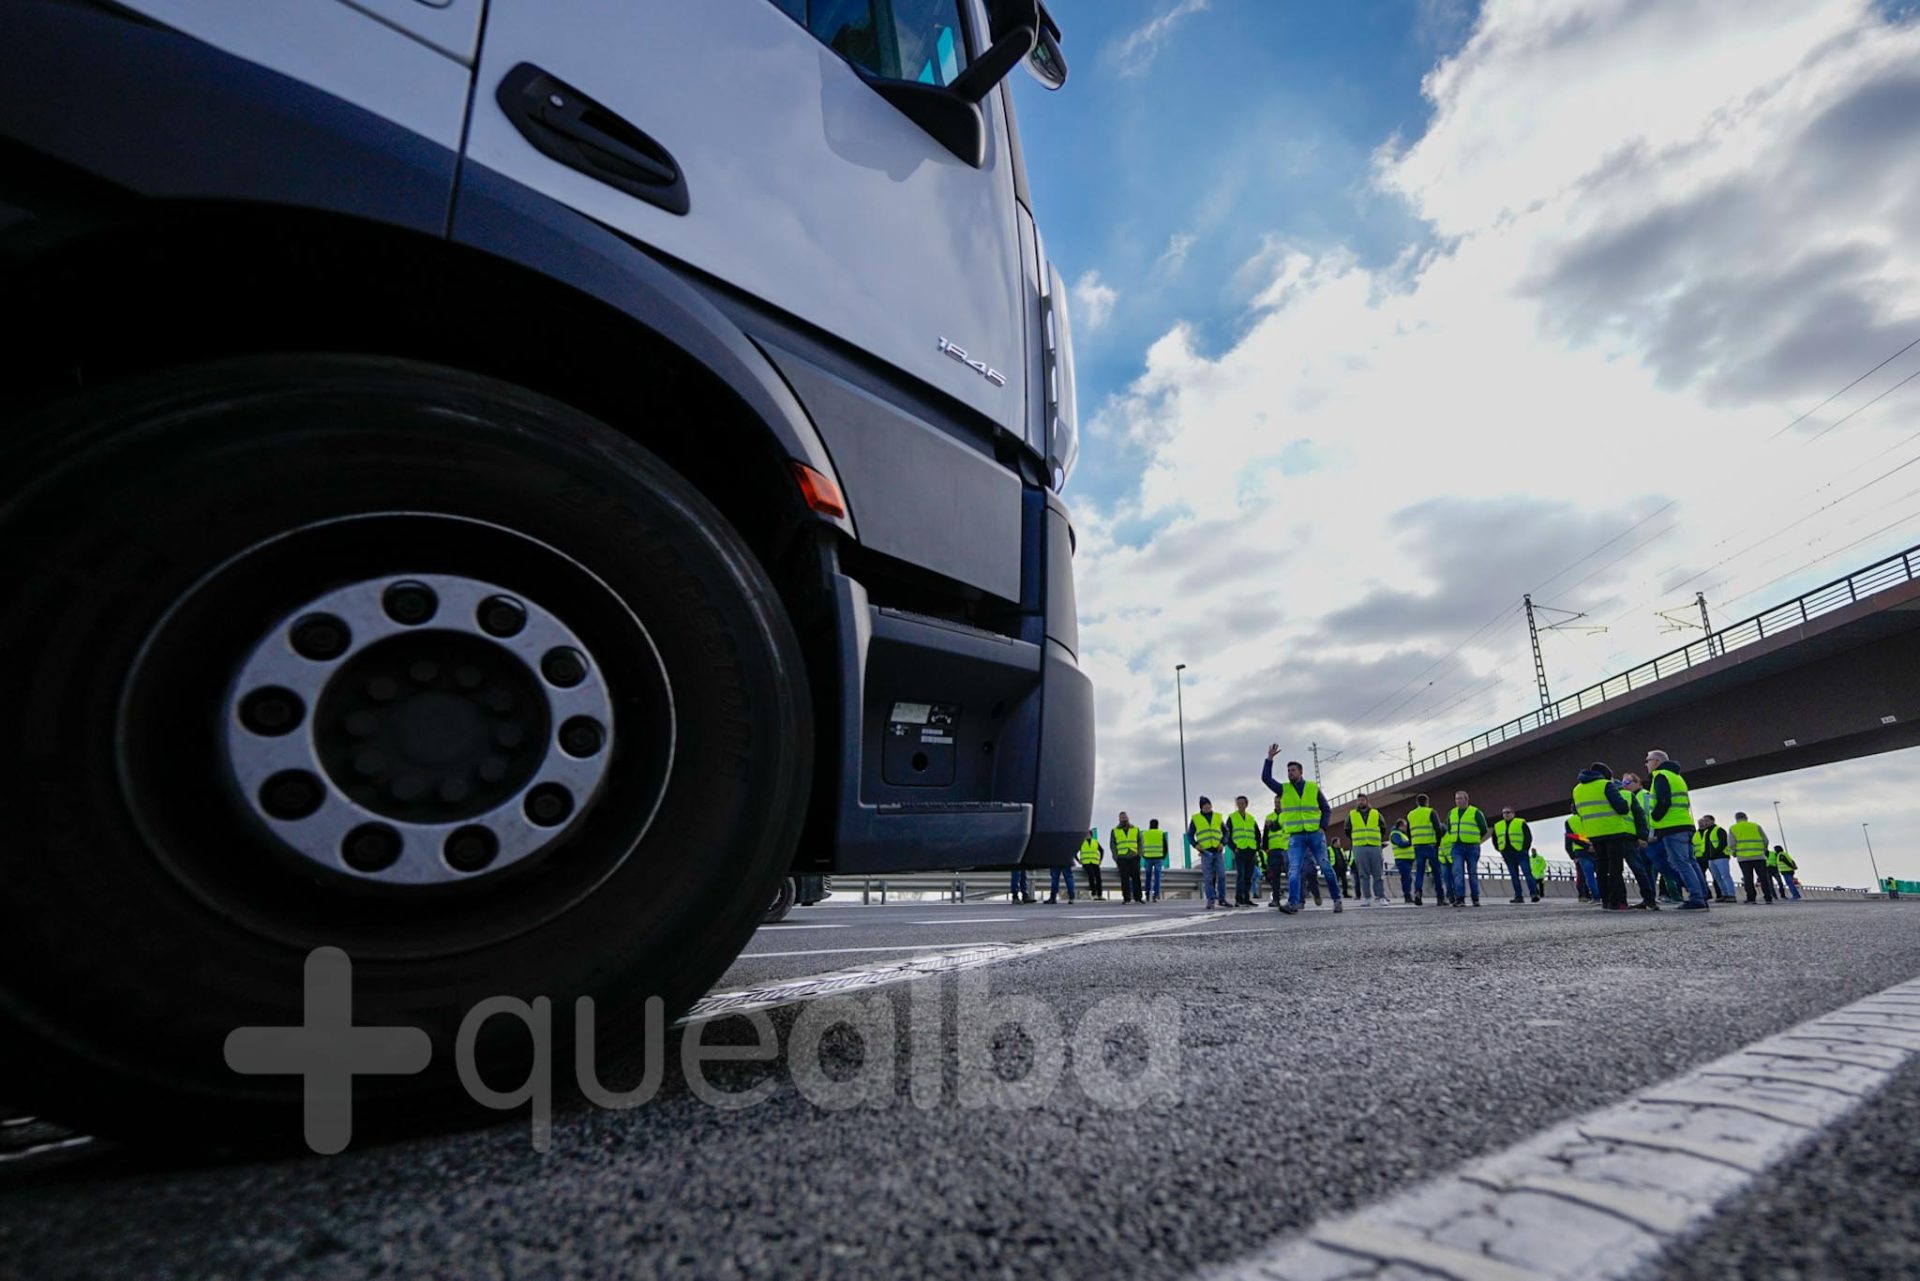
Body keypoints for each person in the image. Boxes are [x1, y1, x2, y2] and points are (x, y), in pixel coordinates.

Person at [1262, 746, 1342, 915]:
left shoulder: (1312, 788)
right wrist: (1269, 758)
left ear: (1301, 772)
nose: (1290, 773)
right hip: (1296, 836)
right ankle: (1293, 903)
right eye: (1288, 771)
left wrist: (1322, 827)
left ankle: (1337, 900)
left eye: (1293, 770)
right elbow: (1266, 778)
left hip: (1315, 834)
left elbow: (1326, 809)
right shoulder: (1284, 789)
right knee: (1294, 869)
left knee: (1325, 866)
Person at [1644, 751, 1711, 911]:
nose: (1646, 764)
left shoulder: (1660, 775)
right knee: (1691, 862)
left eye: (1648, 761)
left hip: (1672, 826)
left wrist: (1655, 817)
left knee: (1681, 863)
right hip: (1685, 824)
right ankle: (1702, 895)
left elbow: (1664, 800)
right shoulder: (1677, 776)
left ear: (1656, 761)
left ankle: (1696, 898)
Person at [1572, 761, 1636, 910]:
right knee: (1615, 868)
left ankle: (1605, 901)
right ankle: (1617, 901)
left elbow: (1578, 810)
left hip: (1594, 833)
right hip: (1613, 831)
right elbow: (1622, 808)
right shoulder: (1606, 785)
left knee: (1601, 867)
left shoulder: (1577, 789)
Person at [1617, 773, 1661, 910]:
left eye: (1627, 782)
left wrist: (1649, 835)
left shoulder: (1645, 795)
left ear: (1638, 783)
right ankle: (1648, 899)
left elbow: (1649, 816)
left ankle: (1652, 899)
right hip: (1635, 838)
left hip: (1645, 838)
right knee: (1644, 869)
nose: (1624, 785)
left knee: (1652, 868)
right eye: (1623, 782)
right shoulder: (1627, 796)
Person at [1446, 789, 1491, 907]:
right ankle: (1460, 898)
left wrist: (1475, 839)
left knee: (1472, 872)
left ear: (1466, 799)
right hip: (1457, 846)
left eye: (1460, 798)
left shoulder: (1475, 812)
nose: (1458, 801)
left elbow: (1484, 829)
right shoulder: (1452, 813)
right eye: (1456, 799)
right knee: (1458, 872)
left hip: (1472, 847)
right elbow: (1449, 828)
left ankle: (1475, 898)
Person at [1347, 794, 1390, 907]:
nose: (1360, 802)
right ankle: (1366, 897)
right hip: (1360, 846)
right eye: (1358, 800)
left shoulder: (1376, 813)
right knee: (1363, 874)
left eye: (1362, 800)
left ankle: (1381, 896)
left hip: (1374, 845)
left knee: (1378, 873)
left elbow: (1383, 827)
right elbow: (1347, 829)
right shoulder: (1352, 815)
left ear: (1367, 801)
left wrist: (1376, 838)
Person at [1492, 805, 1539, 903]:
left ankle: (1534, 894)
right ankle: (1518, 896)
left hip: (1520, 852)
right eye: (1504, 813)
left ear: (1513, 814)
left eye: (1508, 812)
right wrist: (1499, 849)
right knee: (1514, 875)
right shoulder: (1498, 825)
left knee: (1527, 873)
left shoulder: (1520, 822)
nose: (1506, 814)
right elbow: (1495, 839)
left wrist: (1525, 848)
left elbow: (1528, 836)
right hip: (1507, 853)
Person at [1728, 811, 1776, 904]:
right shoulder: (1756, 826)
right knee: (1763, 878)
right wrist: (1763, 850)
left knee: (1748, 878)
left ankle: (1751, 898)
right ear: (1746, 817)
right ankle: (1768, 897)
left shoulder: (1733, 828)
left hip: (1743, 858)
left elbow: (1731, 843)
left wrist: (1734, 853)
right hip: (1759, 857)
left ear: (1736, 819)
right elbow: (1765, 840)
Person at [1407, 794, 1445, 907]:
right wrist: (1438, 842)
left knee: (1420, 871)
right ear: (1427, 802)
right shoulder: (1431, 812)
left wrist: (1413, 842)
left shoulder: (1411, 814)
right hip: (1431, 845)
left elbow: (1409, 831)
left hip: (1418, 846)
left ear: (1417, 802)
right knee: (1436, 872)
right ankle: (1440, 897)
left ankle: (1418, 892)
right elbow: (1438, 828)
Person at [1190, 798, 1227, 909]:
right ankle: (1211, 900)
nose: (1207, 806)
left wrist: (1223, 843)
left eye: (1208, 804)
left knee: (1222, 876)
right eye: (1204, 805)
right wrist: (1195, 845)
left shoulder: (1218, 817)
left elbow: (1226, 832)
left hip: (1218, 850)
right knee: (1208, 878)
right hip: (1205, 852)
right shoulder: (1196, 818)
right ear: (1201, 807)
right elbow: (1190, 834)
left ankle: (1222, 899)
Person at [1227, 796, 1262, 907]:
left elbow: (1257, 834)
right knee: (1240, 876)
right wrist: (1234, 848)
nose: (1240, 805)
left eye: (1242, 803)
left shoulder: (1251, 818)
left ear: (1246, 804)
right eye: (1238, 803)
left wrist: (1256, 848)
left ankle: (1247, 898)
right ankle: (1239, 899)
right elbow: (1227, 834)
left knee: (1249, 877)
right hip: (1240, 850)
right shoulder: (1232, 817)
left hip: (1251, 850)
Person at [1696, 815, 1735, 902]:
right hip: (1710, 859)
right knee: (1717, 878)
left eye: (1707, 820)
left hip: (1721, 857)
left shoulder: (1719, 830)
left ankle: (1731, 895)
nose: (1705, 823)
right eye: (1704, 821)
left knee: (1725, 876)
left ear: (1713, 821)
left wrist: (1714, 853)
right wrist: (1706, 856)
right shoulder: (1706, 832)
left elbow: (1723, 843)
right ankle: (1724, 894)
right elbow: (1705, 846)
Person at [1110, 812, 1144, 905]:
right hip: (1122, 857)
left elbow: (1140, 842)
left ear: (1128, 818)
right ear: (1119, 819)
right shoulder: (1115, 830)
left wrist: (1139, 854)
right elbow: (1112, 844)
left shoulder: (1135, 829)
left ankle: (1138, 898)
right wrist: (1116, 857)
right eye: (1122, 817)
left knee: (1136, 878)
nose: (1124, 819)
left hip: (1134, 856)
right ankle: (1126, 898)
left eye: (1125, 817)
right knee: (1124, 879)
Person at [1264, 798, 1290, 906]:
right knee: (1275, 876)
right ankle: (1276, 899)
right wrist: (1266, 849)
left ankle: (1293, 898)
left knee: (1291, 874)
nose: (1277, 804)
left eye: (1279, 802)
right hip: (1274, 850)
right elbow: (1265, 834)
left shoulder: (1288, 815)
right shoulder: (1269, 817)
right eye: (1275, 802)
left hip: (1287, 849)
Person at [1566, 817, 1597, 902]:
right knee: (1601, 874)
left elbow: (1569, 839)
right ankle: (1603, 896)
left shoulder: (1571, 821)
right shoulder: (1591, 816)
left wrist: (1572, 855)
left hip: (1581, 852)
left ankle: (1589, 896)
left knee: (1585, 876)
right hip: (1596, 849)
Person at [1141, 820, 1170, 902]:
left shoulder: (1145, 833)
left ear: (1149, 825)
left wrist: (1143, 855)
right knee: (1157, 877)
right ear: (1157, 825)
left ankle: (1147, 894)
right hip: (1158, 858)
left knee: (1148, 877)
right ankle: (1155, 895)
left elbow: (1141, 846)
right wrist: (1163, 856)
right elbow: (1165, 846)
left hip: (1148, 857)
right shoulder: (1160, 833)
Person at [1389, 818, 1415, 902]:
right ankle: (1407, 896)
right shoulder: (1395, 834)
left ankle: (1408, 895)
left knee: (1408, 878)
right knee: (1406, 878)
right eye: (1405, 826)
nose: (1406, 828)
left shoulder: (1402, 834)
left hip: (1407, 859)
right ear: (1401, 825)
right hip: (1402, 859)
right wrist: (1411, 842)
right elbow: (1400, 844)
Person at [1078, 828, 1105, 900]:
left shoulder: (1095, 842)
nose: (1087, 835)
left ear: (1091, 835)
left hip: (1095, 862)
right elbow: (1074, 851)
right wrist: (1078, 860)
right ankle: (1094, 894)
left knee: (1098, 878)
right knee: (1091, 876)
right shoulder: (1081, 842)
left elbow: (1102, 850)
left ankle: (1100, 895)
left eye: (1088, 834)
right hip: (1086, 862)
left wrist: (1100, 860)